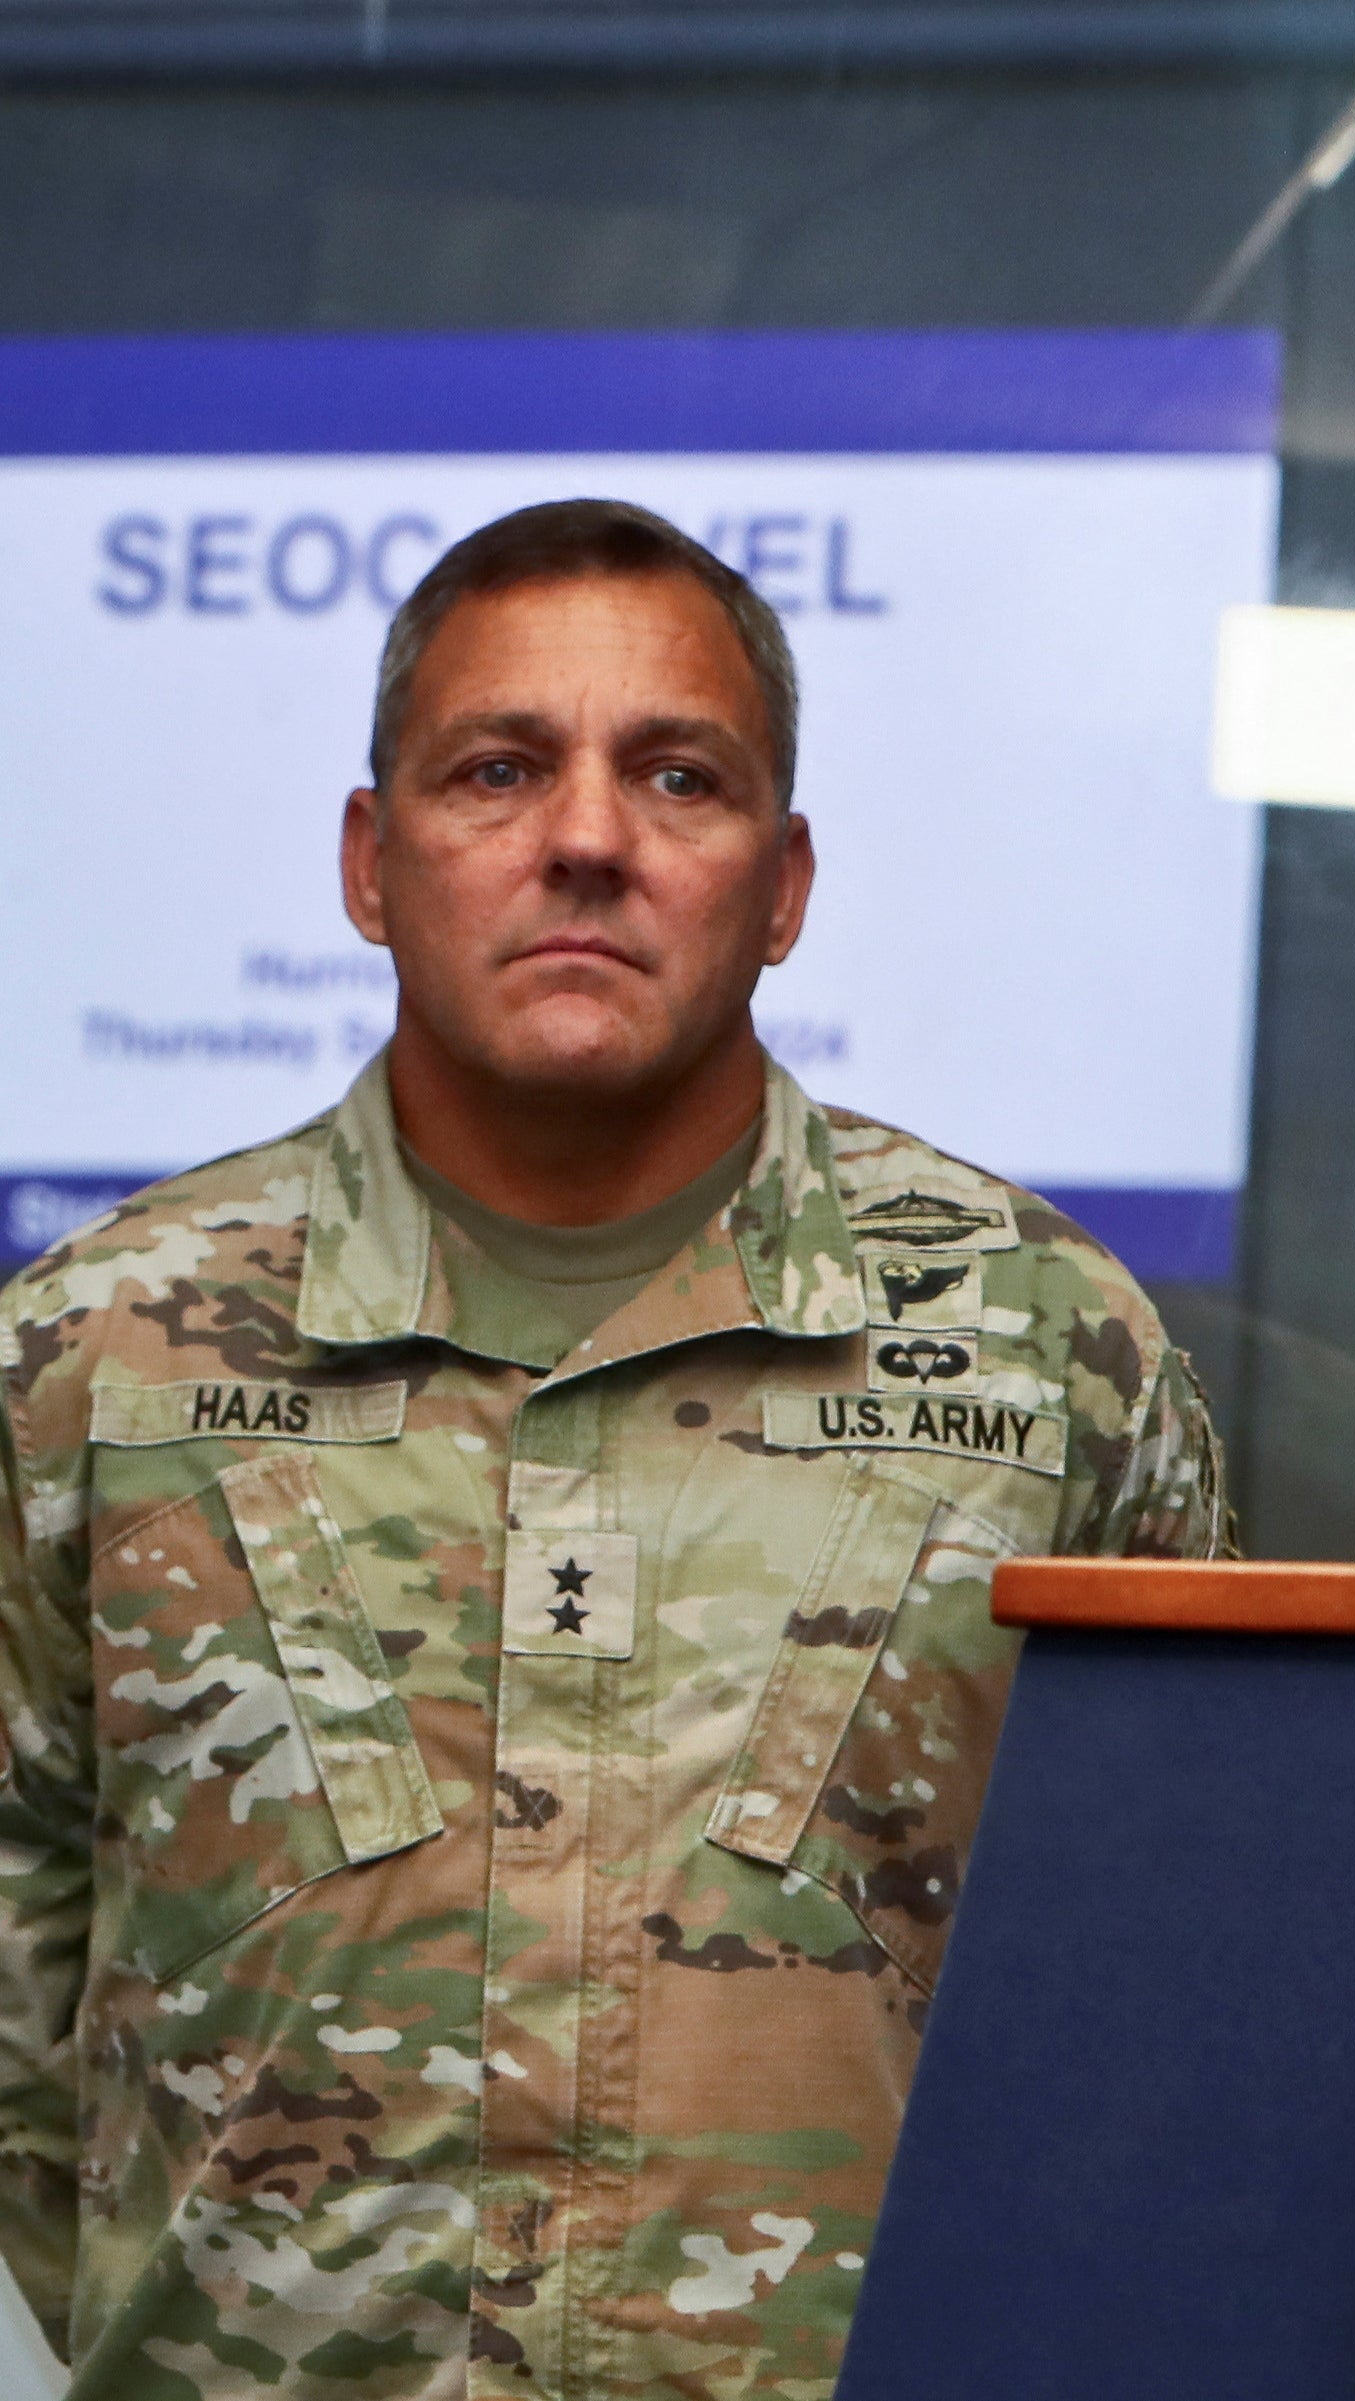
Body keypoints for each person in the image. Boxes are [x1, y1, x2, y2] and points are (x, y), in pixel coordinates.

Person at [0, 498, 1231, 2396]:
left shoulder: (1058, 1359)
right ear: (369, 861)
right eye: (497, 770)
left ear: (788, 879)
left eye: (679, 776)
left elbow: (1179, 2006)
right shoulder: (95, 1353)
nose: (585, 839)